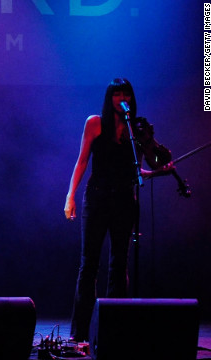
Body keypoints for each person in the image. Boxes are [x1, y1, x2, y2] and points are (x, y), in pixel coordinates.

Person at [63, 78, 174, 341]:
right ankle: (80, 333)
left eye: (126, 93)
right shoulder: (94, 123)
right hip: (97, 198)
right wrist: (70, 196)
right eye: (116, 93)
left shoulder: (136, 128)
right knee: (89, 264)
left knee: (119, 262)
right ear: (109, 97)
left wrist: (160, 168)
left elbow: (142, 169)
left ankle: (113, 330)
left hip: (125, 200)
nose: (121, 97)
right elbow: (81, 162)